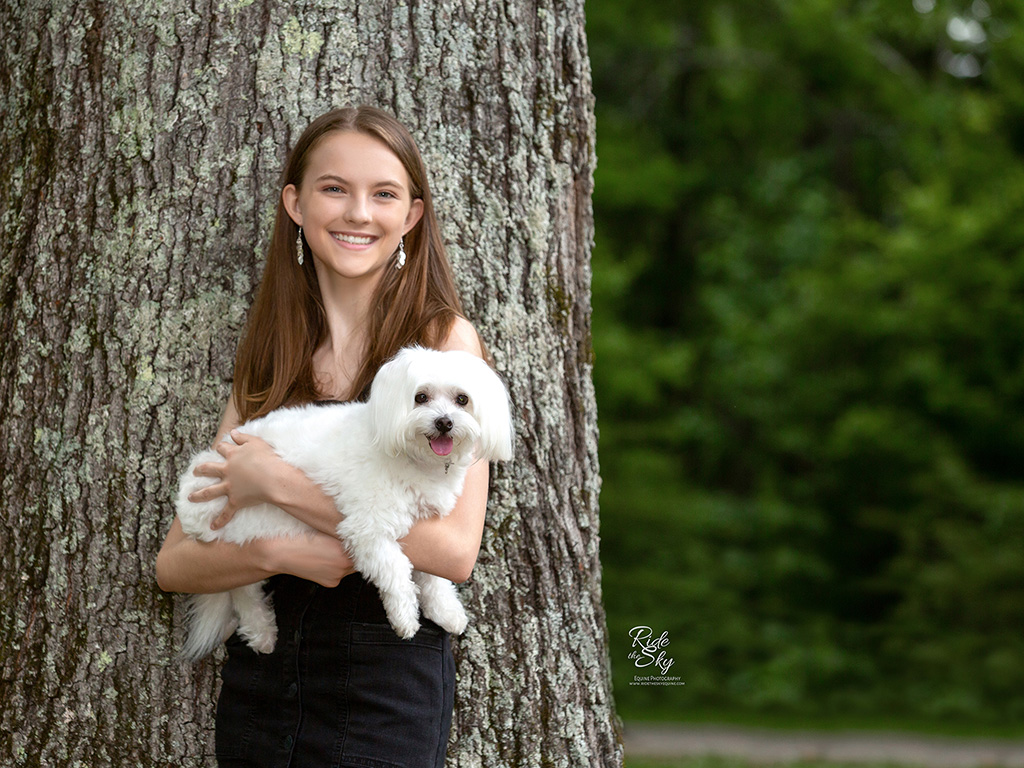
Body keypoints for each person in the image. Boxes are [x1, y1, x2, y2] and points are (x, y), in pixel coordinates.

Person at [156, 106, 492, 768]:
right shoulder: (271, 357)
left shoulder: (441, 345)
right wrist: (283, 553)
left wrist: (282, 486)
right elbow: (176, 564)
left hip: (384, 686)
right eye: (334, 188)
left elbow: (452, 553)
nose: (358, 213)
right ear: (296, 204)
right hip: (263, 684)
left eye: (384, 193)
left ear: (412, 216)